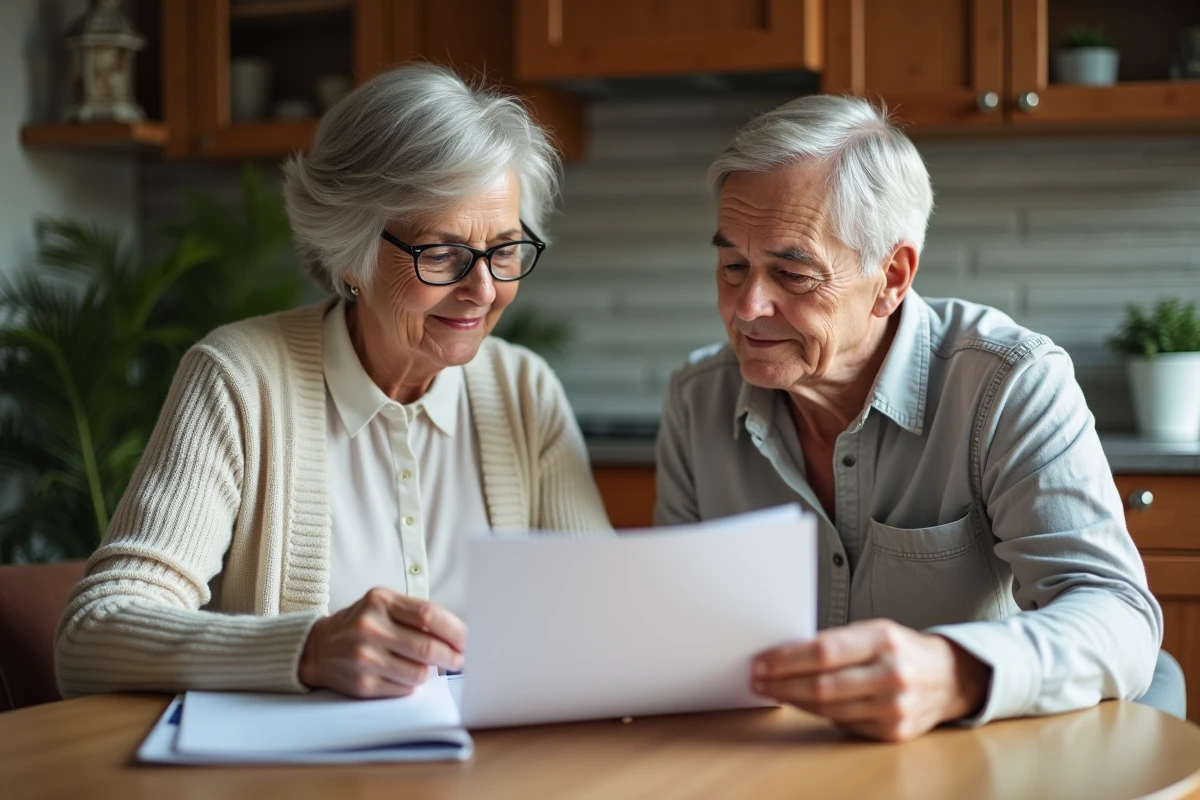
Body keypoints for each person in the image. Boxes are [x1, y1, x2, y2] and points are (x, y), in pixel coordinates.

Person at [56, 64, 610, 700]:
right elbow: (91, 635)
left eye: (505, 249)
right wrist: (309, 651)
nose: (483, 290)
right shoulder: (239, 381)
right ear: (352, 257)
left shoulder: (524, 391)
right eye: (441, 254)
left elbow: (601, 616)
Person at [654, 95, 1163, 741]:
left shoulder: (1008, 384)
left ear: (891, 277)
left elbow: (1117, 614)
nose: (748, 307)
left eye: (792, 274)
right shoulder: (696, 400)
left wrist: (957, 672)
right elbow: (673, 628)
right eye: (733, 267)